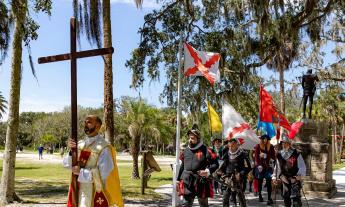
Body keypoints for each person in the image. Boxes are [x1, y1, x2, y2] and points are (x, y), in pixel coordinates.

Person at [63, 115, 124, 207]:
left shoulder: (104, 147)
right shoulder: (79, 144)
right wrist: (72, 152)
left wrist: (81, 172)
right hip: (77, 189)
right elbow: (67, 165)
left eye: (89, 122)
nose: (86, 125)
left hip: (94, 191)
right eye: (85, 122)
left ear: (98, 126)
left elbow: (103, 173)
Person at [176, 124, 219, 207]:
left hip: (201, 182)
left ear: (198, 139)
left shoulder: (206, 150)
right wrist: (178, 180)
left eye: (192, 138)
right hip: (187, 181)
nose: (190, 140)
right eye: (189, 137)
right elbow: (183, 166)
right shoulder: (186, 151)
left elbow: (215, 164)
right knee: (186, 204)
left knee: (203, 205)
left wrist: (207, 171)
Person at [273, 134, 306, 207]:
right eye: (282, 143)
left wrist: (299, 175)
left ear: (289, 143)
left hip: (294, 179)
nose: (283, 144)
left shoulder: (296, 153)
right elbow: (277, 167)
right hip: (284, 179)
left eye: (285, 142)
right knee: (286, 200)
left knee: (296, 201)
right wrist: (275, 177)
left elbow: (302, 166)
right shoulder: (279, 154)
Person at [216, 138, 251, 207]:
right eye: (230, 145)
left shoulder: (243, 155)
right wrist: (220, 170)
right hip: (228, 178)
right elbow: (223, 165)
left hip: (238, 179)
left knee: (240, 196)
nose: (231, 147)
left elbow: (248, 167)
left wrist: (241, 174)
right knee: (225, 197)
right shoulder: (226, 154)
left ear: (237, 145)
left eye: (233, 145)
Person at [254, 134, 276, 205]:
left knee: (269, 182)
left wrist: (267, 156)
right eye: (263, 139)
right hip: (260, 167)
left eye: (266, 139)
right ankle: (260, 195)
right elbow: (256, 157)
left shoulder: (271, 146)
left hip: (268, 167)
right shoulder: (258, 146)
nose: (265, 140)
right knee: (260, 181)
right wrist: (258, 165)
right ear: (261, 139)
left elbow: (273, 156)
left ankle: (269, 198)